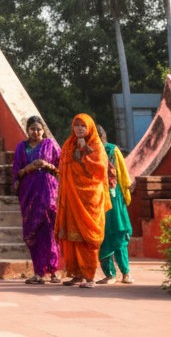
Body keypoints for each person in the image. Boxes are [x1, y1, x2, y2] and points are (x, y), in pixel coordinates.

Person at [56, 114, 110, 289]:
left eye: (83, 126)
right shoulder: (68, 145)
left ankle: (89, 277)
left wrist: (84, 153)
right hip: (72, 197)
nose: (79, 128)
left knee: (88, 239)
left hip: (90, 198)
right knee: (73, 238)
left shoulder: (97, 147)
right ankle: (76, 275)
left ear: (90, 128)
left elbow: (100, 171)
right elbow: (62, 168)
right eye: (76, 125)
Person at [11, 115, 60, 284]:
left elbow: (61, 169)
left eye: (39, 129)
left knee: (50, 232)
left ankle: (54, 272)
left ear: (43, 130)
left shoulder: (50, 145)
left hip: (49, 195)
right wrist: (30, 167)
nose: (36, 132)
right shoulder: (21, 148)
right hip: (29, 196)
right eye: (32, 129)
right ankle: (38, 272)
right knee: (33, 233)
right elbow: (17, 172)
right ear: (27, 130)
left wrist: (47, 165)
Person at [95, 126, 133, 284]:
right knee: (100, 235)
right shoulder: (85, 152)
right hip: (96, 197)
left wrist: (124, 195)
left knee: (117, 232)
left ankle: (125, 273)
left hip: (113, 195)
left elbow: (123, 175)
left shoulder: (112, 150)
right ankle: (109, 274)